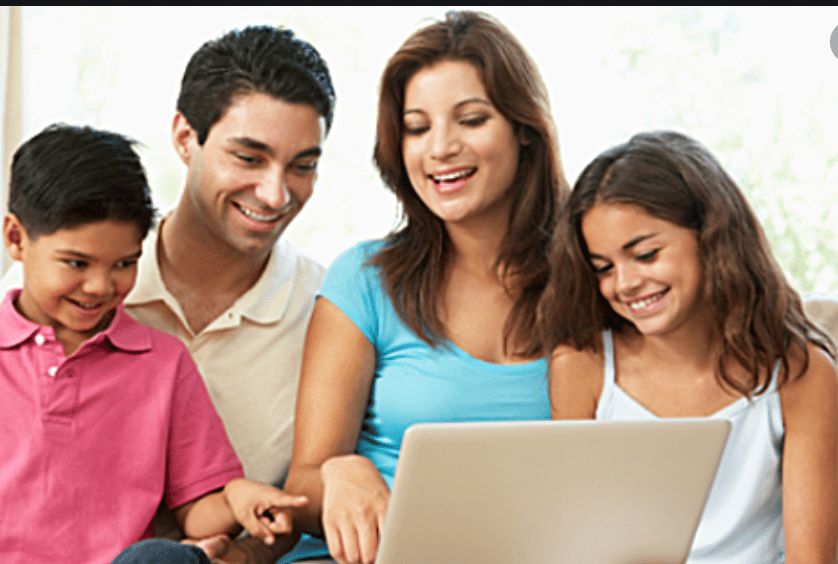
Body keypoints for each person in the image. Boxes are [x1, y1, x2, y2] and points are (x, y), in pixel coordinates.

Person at [0, 25, 335, 564]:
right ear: (184, 137)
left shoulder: (326, 311)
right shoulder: (43, 281)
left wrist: (245, 513)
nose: (276, 194)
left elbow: (206, 501)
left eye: (302, 165)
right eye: (249, 157)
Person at [269, 11, 569, 564]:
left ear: (524, 129)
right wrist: (339, 473)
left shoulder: (591, 282)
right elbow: (303, 484)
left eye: (471, 120)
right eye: (417, 127)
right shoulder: (365, 278)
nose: (440, 148)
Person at [538, 130, 838, 563]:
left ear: (710, 236)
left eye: (645, 255)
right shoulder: (582, 368)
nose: (623, 284)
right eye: (603, 267)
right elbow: (583, 542)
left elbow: (811, 560)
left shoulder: (802, 374)